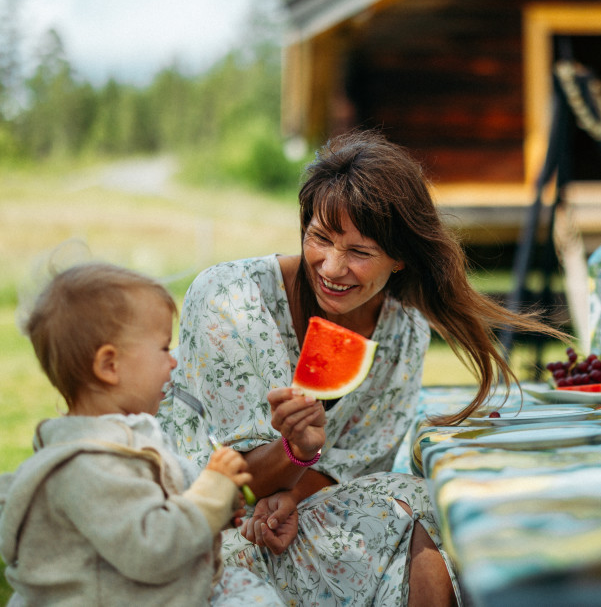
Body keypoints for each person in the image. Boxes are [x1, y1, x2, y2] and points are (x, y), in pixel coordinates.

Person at [158, 129, 565, 607]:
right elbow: (236, 485)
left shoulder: (404, 331)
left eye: (359, 252)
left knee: (446, 508)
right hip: (204, 529)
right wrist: (294, 451)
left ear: (399, 259)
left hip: (297, 518)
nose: (331, 267)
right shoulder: (229, 297)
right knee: (421, 505)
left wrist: (293, 493)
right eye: (320, 238)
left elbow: (351, 465)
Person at [0, 262, 283, 606]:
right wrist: (209, 494)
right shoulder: (89, 467)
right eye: (163, 348)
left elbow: (160, 499)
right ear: (109, 366)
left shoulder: (126, 440)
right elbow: (152, 551)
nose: (173, 361)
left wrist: (218, 507)